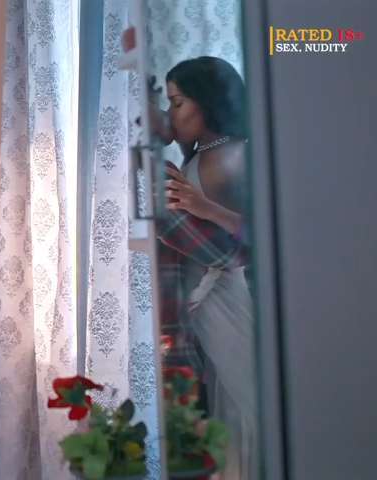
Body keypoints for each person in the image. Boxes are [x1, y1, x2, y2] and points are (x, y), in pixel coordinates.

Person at [154, 56, 257, 480]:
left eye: (177, 103)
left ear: (207, 102)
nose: (171, 113)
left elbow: (267, 235)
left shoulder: (238, 154)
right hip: (203, 303)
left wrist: (206, 208)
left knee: (244, 406)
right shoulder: (199, 154)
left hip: (229, 297)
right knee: (223, 408)